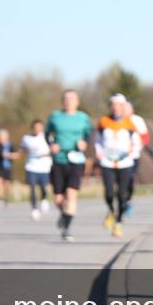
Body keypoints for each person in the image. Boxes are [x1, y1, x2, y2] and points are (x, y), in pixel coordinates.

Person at [45, 90, 92, 242]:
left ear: (77, 102)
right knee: (59, 199)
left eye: (71, 99)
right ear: (62, 101)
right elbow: (48, 134)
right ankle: (64, 215)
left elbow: (88, 135)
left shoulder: (83, 117)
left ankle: (67, 228)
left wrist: (84, 143)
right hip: (59, 159)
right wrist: (52, 144)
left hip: (76, 159)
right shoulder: (55, 116)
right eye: (66, 99)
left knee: (71, 195)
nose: (68, 101)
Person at [95, 94, 141, 238]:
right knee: (109, 193)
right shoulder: (103, 121)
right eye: (113, 105)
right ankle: (110, 211)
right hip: (107, 161)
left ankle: (118, 224)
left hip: (124, 162)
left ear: (123, 107)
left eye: (118, 105)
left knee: (122, 194)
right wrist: (99, 153)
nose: (115, 108)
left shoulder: (129, 123)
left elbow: (137, 142)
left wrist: (132, 151)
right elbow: (97, 140)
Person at [20, 119, 52, 220]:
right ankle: (34, 209)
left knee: (43, 187)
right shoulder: (26, 138)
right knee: (32, 187)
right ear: (32, 128)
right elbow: (22, 150)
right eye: (36, 127)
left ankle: (44, 199)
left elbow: (53, 149)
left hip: (44, 167)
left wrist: (47, 153)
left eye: (40, 127)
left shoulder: (46, 137)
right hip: (31, 166)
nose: (38, 129)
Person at [121, 102, 148, 218]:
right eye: (122, 108)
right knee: (121, 181)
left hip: (134, 155)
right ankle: (121, 202)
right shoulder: (117, 120)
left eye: (126, 108)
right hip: (119, 157)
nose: (124, 110)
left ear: (132, 109)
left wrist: (137, 144)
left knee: (130, 179)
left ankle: (128, 200)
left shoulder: (137, 120)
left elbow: (145, 138)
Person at [0, 129, 18, 207]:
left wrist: (9, 155)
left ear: (6, 137)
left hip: (7, 167)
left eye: (2, 137)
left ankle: (6, 198)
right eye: (0, 137)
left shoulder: (10, 145)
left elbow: (17, 155)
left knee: (7, 185)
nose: (1, 139)